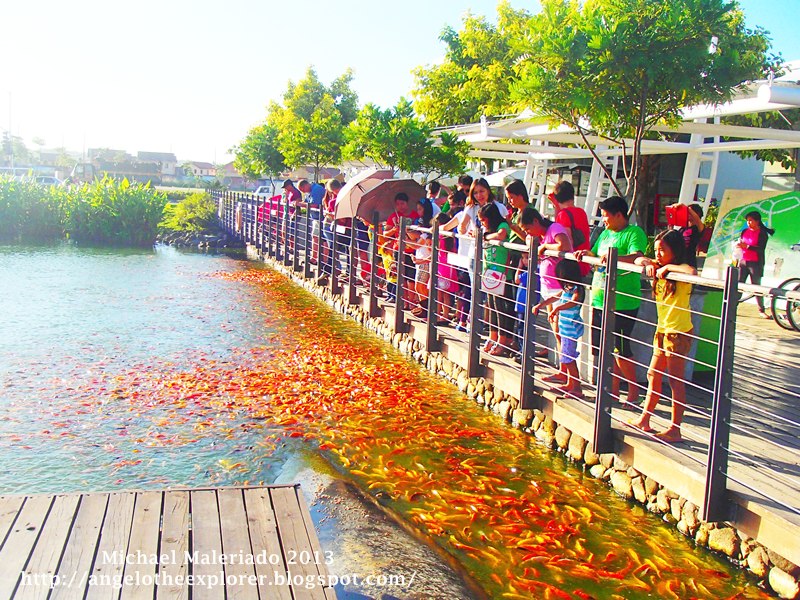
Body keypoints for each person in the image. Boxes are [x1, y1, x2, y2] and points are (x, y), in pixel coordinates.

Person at [574, 195, 647, 405]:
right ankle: (612, 391)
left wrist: (615, 258)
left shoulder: (634, 233)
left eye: (606, 216)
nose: (604, 220)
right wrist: (585, 253)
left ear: (618, 215)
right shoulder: (605, 233)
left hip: (622, 301)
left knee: (621, 348)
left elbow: (637, 255)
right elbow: (596, 253)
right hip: (599, 299)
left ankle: (633, 392)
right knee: (603, 348)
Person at [630, 229, 697, 442]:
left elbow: (691, 271)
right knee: (653, 374)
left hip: (677, 333)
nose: (658, 254)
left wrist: (668, 267)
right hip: (662, 331)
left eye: (663, 250)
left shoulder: (679, 273)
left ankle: (675, 428)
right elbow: (639, 258)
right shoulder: (658, 268)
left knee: (675, 381)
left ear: (674, 251)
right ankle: (645, 419)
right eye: (656, 250)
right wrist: (650, 263)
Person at [520, 207, 573, 359]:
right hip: (548, 288)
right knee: (556, 332)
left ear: (536, 221)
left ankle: (568, 373)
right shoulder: (541, 236)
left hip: (559, 288)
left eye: (528, 229)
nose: (527, 233)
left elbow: (564, 245)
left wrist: (545, 247)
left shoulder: (554, 228)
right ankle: (563, 369)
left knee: (561, 331)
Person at [532, 259, 586, 399]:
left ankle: (577, 387)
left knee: (568, 358)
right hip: (564, 328)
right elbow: (554, 297)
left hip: (570, 329)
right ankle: (570, 383)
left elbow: (574, 300)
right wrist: (540, 305)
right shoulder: (566, 288)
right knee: (565, 356)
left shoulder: (577, 289)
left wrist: (557, 308)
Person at [478, 202, 516, 357]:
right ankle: (493, 335)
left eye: (483, 220)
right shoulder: (487, 229)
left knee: (501, 306)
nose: (482, 224)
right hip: (489, 272)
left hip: (501, 272)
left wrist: (486, 236)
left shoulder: (502, 225)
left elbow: (501, 235)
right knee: (491, 305)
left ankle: (503, 339)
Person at [549, 180, 592, 276]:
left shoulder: (563, 215)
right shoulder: (581, 212)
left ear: (557, 199)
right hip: (584, 261)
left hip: (572, 264)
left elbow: (567, 242)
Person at [737, 210, 775, 318]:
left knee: (756, 286)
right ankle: (733, 306)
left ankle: (761, 309)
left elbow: (761, 249)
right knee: (739, 284)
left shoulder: (762, 233)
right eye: (747, 221)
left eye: (751, 220)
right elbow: (741, 241)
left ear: (757, 221)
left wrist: (748, 247)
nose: (749, 223)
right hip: (743, 261)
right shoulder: (744, 231)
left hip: (755, 263)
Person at [317, 179, 342, 286]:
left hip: (337, 226)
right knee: (334, 247)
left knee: (333, 247)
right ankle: (331, 270)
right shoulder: (335, 199)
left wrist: (330, 214)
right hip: (338, 226)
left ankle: (330, 270)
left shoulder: (334, 201)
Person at [667, 202, 705, 269]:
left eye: (689, 212)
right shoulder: (683, 228)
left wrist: (685, 207)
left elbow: (697, 219)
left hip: (689, 259)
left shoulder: (698, 228)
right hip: (679, 258)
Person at [298, 179, 326, 264]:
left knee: (318, 238)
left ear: (305, 185)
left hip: (320, 218)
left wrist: (299, 204)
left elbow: (314, 205)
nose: (303, 192)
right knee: (317, 237)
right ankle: (316, 258)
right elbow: (307, 202)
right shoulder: (310, 192)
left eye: (302, 189)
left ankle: (318, 259)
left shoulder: (316, 190)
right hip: (315, 218)